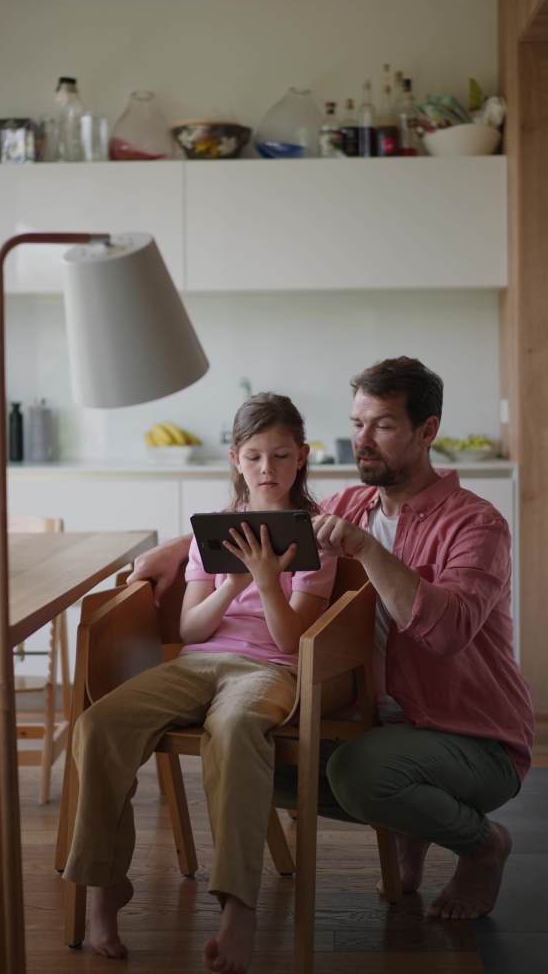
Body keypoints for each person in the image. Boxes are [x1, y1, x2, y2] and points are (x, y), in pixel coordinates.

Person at [130, 357, 534, 924]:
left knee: (360, 774)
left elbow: (447, 632)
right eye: (356, 423)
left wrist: (369, 551)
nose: (362, 441)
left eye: (383, 425)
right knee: (256, 765)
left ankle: (482, 844)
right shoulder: (347, 507)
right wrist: (174, 549)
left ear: (427, 431)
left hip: (470, 735)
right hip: (374, 719)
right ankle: (410, 820)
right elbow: (254, 519)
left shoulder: (477, 524)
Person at [63, 393, 337, 973]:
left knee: (236, 729)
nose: (269, 470)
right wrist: (234, 584)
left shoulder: (313, 541)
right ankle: (104, 885)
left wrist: (268, 582)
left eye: (282, 456)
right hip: (198, 663)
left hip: (271, 670)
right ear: (237, 458)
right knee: (98, 722)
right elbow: (190, 627)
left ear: (302, 457)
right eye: (256, 456)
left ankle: (238, 907)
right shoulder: (212, 536)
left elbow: (292, 641)